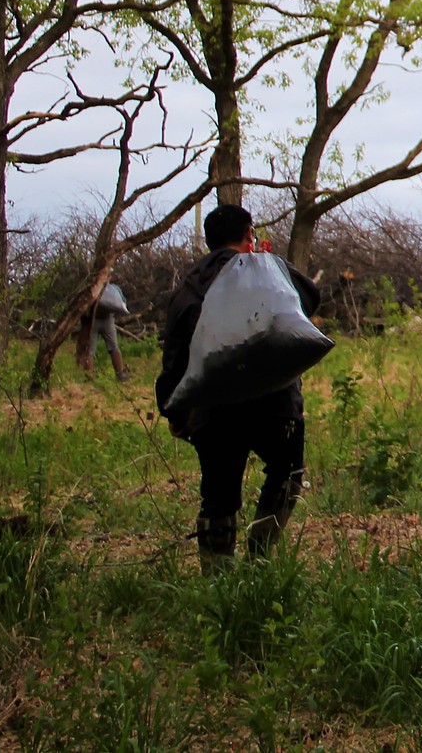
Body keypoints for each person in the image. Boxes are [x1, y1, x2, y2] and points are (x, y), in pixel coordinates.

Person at [156, 204, 321, 571]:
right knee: (288, 474)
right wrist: (270, 263)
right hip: (276, 404)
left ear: (209, 240)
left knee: (218, 495)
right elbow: (309, 298)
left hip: (213, 409)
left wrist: (174, 410)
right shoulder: (269, 268)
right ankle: (260, 555)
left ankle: (218, 580)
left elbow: (175, 353)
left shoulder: (191, 284)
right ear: (249, 233)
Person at [83, 280, 129, 380]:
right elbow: (123, 302)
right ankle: (120, 374)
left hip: (93, 320)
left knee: (90, 350)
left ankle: (89, 376)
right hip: (108, 320)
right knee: (114, 347)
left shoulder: (92, 287)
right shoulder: (115, 288)